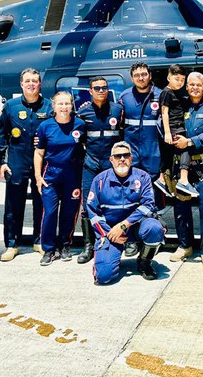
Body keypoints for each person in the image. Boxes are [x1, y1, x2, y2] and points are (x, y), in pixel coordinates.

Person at [86, 141, 165, 284]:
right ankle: (109, 258)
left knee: (154, 228)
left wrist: (123, 226)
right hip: (110, 232)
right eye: (117, 156)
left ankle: (144, 261)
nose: (122, 159)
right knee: (103, 277)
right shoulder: (99, 180)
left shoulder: (142, 177)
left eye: (125, 155)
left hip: (135, 227)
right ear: (111, 159)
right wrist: (108, 233)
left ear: (131, 158)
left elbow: (148, 205)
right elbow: (92, 212)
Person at [0, 68, 53, 261]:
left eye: (35, 81)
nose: (31, 84)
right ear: (21, 84)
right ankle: (12, 244)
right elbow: (1, 135)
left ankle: (40, 241)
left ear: (40, 84)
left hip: (42, 163)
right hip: (17, 162)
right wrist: (1, 162)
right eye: (27, 81)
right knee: (13, 205)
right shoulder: (11, 106)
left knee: (42, 203)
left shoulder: (49, 107)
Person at [170, 72, 203, 268]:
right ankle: (185, 246)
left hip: (202, 166)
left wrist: (189, 141)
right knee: (181, 210)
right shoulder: (179, 105)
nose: (194, 88)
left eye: (198, 85)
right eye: (190, 84)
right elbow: (164, 123)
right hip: (180, 167)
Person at [33, 91, 86, 266]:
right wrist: (38, 177)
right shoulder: (45, 126)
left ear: (72, 106)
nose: (64, 107)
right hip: (51, 176)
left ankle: (65, 245)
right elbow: (39, 153)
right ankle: (48, 249)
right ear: (54, 106)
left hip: (73, 175)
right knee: (49, 213)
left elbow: (86, 147)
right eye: (60, 104)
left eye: (67, 103)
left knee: (69, 213)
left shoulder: (79, 125)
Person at [76, 75, 123, 264]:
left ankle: (121, 241)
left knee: (118, 202)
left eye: (104, 87)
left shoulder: (118, 110)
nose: (101, 91)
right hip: (91, 165)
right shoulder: (83, 113)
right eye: (97, 88)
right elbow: (76, 138)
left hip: (112, 166)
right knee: (88, 206)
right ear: (90, 91)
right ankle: (88, 245)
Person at [118, 62, 164, 257]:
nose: (141, 77)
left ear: (150, 75)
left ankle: (156, 234)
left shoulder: (161, 95)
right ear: (132, 77)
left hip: (154, 154)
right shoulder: (124, 97)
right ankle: (132, 239)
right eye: (137, 75)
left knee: (156, 197)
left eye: (144, 74)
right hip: (133, 157)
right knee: (132, 197)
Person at [157, 64, 194, 197]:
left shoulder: (178, 92)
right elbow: (164, 113)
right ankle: (183, 180)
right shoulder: (166, 92)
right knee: (186, 147)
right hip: (173, 128)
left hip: (178, 126)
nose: (180, 82)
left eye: (182, 79)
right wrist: (167, 132)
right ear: (168, 77)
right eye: (176, 78)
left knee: (169, 157)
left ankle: (162, 180)